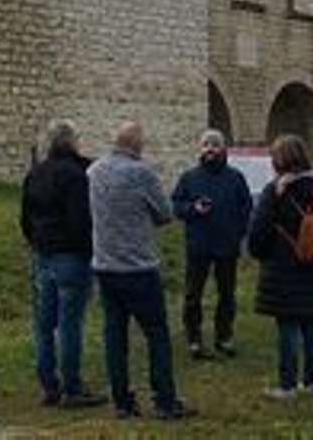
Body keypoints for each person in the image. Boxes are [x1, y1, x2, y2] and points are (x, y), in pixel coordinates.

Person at [88, 121, 196, 421]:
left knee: (114, 334)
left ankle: (122, 402)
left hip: (105, 265)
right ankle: (164, 400)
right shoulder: (141, 172)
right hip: (138, 267)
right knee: (156, 333)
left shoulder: (93, 171)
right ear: (137, 146)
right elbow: (164, 214)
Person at [19, 120, 109, 409]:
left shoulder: (35, 173)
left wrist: (37, 244)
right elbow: (81, 221)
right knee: (70, 324)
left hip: (43, 255)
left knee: (44, 326)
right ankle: (72, 387)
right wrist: (87, 254)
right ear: (71, 142)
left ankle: (49, 386)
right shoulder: (74, 175)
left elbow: (25, 219)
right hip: (70, 256)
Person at [249, 134, 313, 399]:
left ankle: (287, 386)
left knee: (287, 325)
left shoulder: (276, 191)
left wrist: (260, 254)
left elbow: (258, 233)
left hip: (283, 264)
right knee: (310, 322)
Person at [171, 130, 253, 360]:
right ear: (200, 149)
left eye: (215, 145)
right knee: (192, 295)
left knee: (227, 295)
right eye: (206, 144)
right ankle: (194, 339)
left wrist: (238, 231)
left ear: (223, 149)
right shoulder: (189, 177)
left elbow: (246, 207)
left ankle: (224, 337)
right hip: (198, 245)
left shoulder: (235, 177)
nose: (210, 149)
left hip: (227, 246)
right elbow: (176, 206)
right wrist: (193, 209)